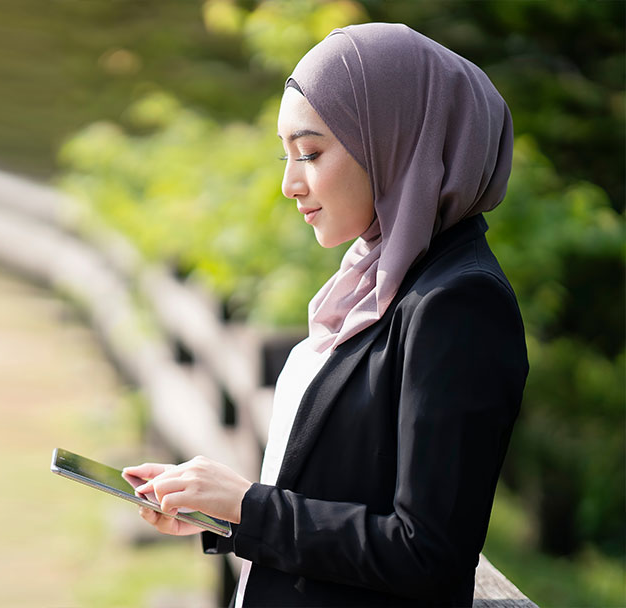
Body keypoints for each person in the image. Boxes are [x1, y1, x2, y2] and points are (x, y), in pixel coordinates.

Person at [121, 23, 528, 607]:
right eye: (287, 155)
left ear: (396, 141)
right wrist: (221, 514)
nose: (290, 183)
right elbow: (343, 492)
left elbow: (427, 553)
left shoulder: (459, 304)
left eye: (310, 153)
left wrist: (246, 504)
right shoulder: (376, 278)